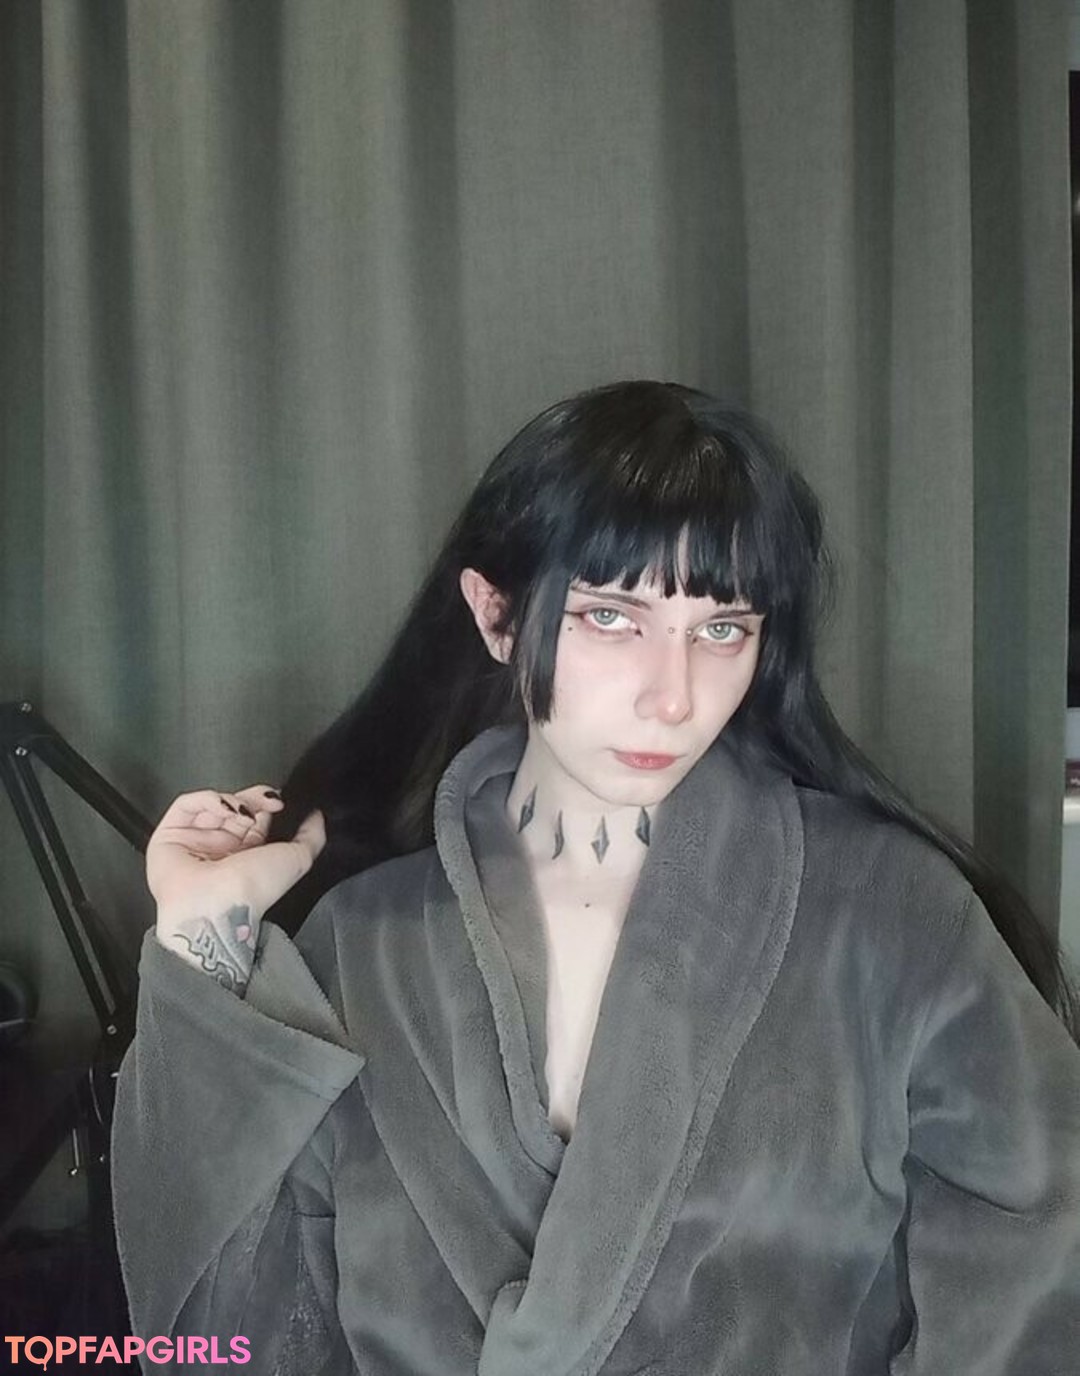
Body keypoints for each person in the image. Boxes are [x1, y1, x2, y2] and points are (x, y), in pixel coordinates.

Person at [112, 380, 1080, 1375]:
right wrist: (199, 939)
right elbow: (226, 1338)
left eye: (722, 628)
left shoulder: (892, 912)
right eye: (613, 618)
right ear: (496, 614)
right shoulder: (361, 946)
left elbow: (1041, 1259)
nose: (674, 695)